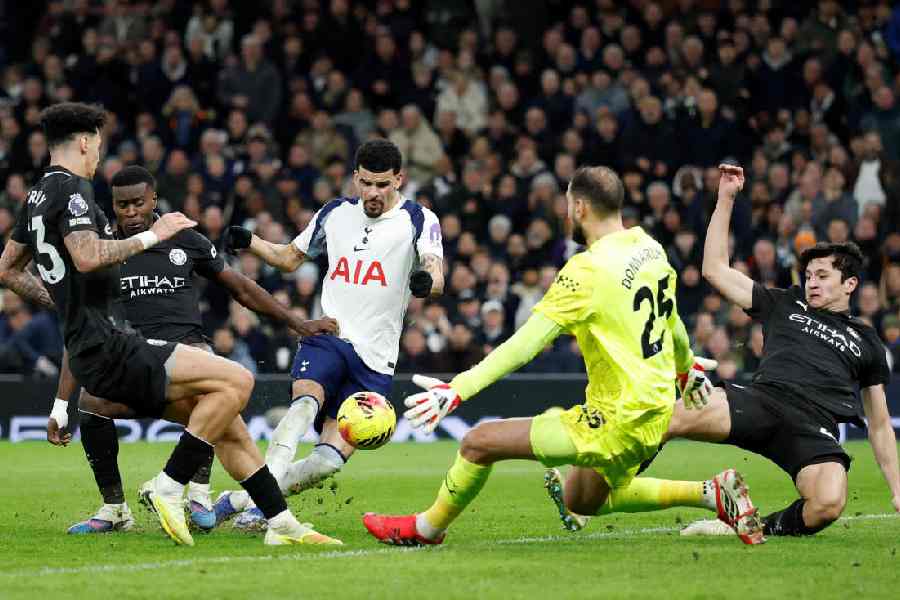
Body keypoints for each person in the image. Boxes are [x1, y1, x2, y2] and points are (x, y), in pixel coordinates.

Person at [361, 166, 763, 546]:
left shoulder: (585, 270)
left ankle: (425, 529)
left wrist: (457, 389)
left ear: (580, 207)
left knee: (478, 442)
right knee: (582, 499)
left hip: (617, 418)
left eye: (568, 205)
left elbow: (525, 345)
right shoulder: (649, 247)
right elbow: (670, 317)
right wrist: (684, 366)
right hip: (655, 411)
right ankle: (713, 492)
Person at [0, 102, 339, 547]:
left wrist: (67, 305)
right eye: (98, 146)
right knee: (238, 380)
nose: (98, 155)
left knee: (231, 426)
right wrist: (152, 236)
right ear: (84, 142)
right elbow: (86, 255)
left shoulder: (37, 194)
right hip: (113, 347)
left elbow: (7, 269)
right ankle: (168, 486)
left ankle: (282, 524)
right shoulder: (74, 191)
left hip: (96, 350)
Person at [553, 165, 900, 539]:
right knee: (666, 417)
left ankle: (745, 524)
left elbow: (880, 424)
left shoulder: (866, 340)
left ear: (849, 284)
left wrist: (897, 490)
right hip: (761, 402)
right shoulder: (785, 302)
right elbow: (715, 270)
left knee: (828, 503)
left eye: (823, 276)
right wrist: (725, 199)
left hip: (814, 427)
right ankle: (595, 488)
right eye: (810, 275)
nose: (812, 282)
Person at [214, 138, 444, 529]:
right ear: (355, 178)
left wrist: (426, 281)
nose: (373, 193)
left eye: (382, 185)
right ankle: (272, 512)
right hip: (329, 335)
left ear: (399, 180)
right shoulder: (335, 213)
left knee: (327, 462)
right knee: (303, 405)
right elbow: (289, 258)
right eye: (366, 183)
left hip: (375, 358)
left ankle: (238, 500)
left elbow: (435, 269)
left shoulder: (419, 219)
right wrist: (250, 242)